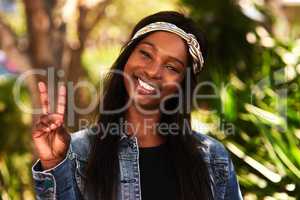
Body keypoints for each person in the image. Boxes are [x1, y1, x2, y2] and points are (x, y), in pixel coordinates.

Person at [31, 11, 243, 200]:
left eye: (171, 67)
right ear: (127, 57)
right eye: (145, 54)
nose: (153, 71)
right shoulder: (78, 152)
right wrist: (54, 164)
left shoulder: (212, 158)